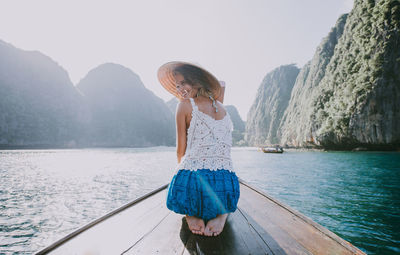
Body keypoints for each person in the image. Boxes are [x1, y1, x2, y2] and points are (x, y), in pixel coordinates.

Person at [157, 61, 240, 237]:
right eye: (177, 86)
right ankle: (222, 213)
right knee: (216, 192)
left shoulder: (185, 105)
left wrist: (181, 181)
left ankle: (191, 212)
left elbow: (181, 151)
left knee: (179, 187)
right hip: (228, 185)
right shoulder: (223, 108)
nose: (180, 89)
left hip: (198, 183)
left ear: (196, 81)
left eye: (183, 83)